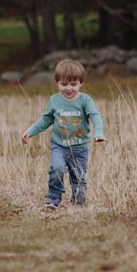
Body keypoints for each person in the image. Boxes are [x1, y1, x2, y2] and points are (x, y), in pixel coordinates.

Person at [21, 59, 107, 209]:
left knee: (79, 178)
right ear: (57, 83)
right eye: (64, 84)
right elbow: (45, 120)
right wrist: (30, 131)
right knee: (57, 169)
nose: (68, 88)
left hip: (80, 148)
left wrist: (98, 132)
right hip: (59, 146)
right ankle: (53, 198)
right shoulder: (54, 100)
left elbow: (95, 116)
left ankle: (78, 202)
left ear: (81, 83)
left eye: (73, 84)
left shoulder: (85, 100)